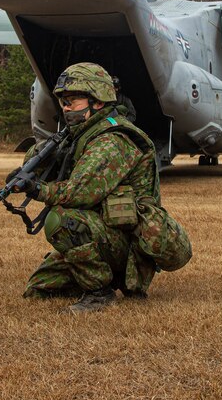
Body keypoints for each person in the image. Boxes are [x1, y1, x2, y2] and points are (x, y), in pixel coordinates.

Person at [12, 62, 160, 314]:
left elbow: (79, 193)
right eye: (63, 101)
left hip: (127, 243)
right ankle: (98, 274)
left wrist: (38, 190)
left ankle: (100, 293)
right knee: (39, 287)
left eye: (73, 100)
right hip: (103, 234)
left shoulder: (112, 140)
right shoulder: (80, 133)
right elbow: (40, 159)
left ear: (98, 102)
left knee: (61, 219)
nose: (66, 107)